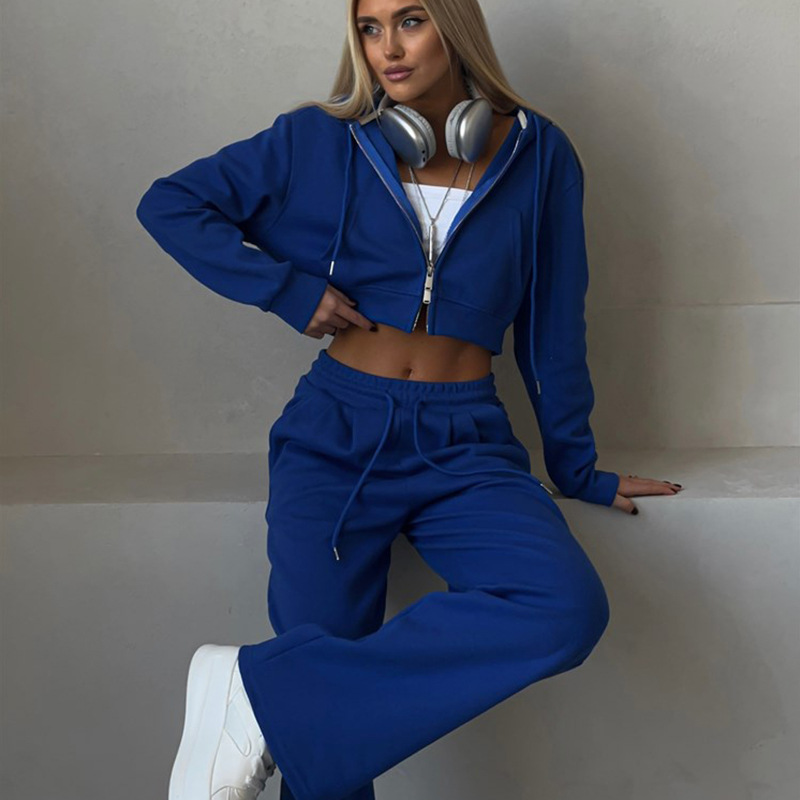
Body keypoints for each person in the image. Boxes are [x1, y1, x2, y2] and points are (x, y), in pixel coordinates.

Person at [136, 1, 684, 798]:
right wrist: (289, 291)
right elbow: (171, 203)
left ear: (453, 25)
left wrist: (576, 466)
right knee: (326, 720)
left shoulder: (539, 154)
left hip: (466, 443)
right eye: (369, 27)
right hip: (334, 434)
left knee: (563, 607)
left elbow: (554, 325)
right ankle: (271, 704)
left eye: (411, 20)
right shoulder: (318, 139)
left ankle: (255, 697)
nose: (387, 47)